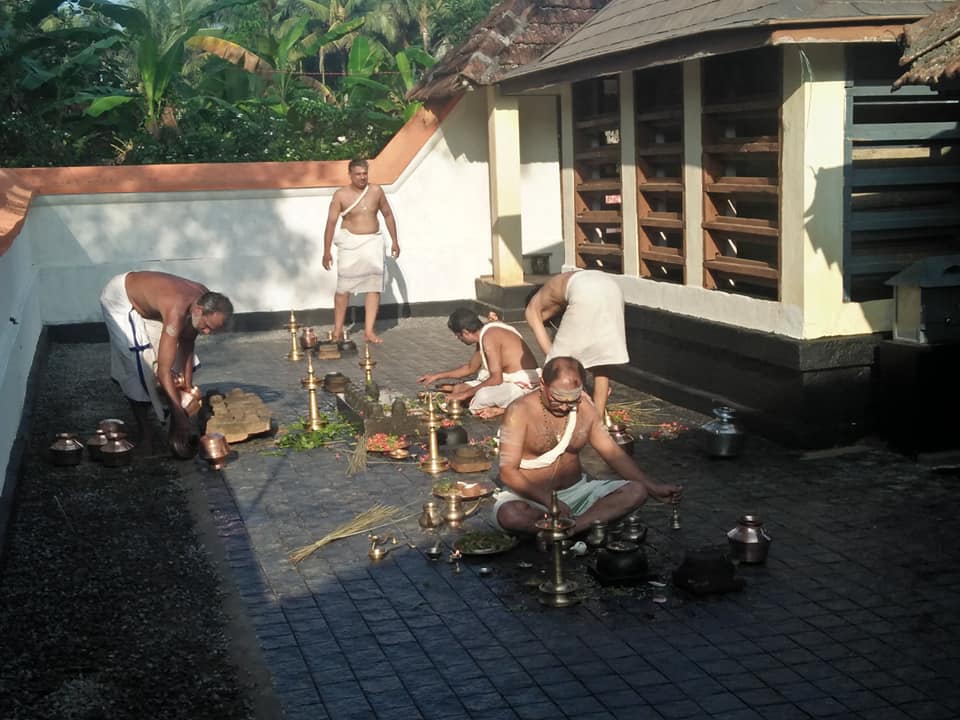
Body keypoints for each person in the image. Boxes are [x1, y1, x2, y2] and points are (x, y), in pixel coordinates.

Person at [493, 356, 681, 535]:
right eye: (558, 398)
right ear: (543, 385)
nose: (565, 406)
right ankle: (584, 524)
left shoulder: (584, 406)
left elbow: (612, 452)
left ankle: (570, 529)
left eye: (572, 399)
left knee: (636, 491)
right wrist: (549, 502)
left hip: (578, 493)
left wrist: (652, 487)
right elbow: (508, 472)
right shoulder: (519, 411)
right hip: (533, 499)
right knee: (511, 515)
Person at [100, 271, 233, 453]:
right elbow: (162, 371)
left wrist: (187, 390)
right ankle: (146, 433)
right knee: (139, 364)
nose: (207, 333)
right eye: (207, 327)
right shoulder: (176, 308)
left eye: (212, 329)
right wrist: (179, 415)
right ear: (198, 311)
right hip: (120, 299)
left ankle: (170, 420)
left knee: (173, 358)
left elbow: (187, 343)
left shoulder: (203, 299)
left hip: (151, 305)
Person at [524, 269, 628, 418]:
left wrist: (558, 363)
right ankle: (597, 422)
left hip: (583, 289)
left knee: (557, 367)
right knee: (602, 362)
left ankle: (551, 416)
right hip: (612, 287)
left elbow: (553, 359)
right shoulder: (556, 286)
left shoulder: (531, 307)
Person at [322, 158, 400, 344]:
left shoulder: (376, 191)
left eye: (365, 173)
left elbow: (387, 214)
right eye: (358, 174)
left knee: (374, 287)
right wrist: (326, 251)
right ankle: (338, 329)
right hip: (350, 243)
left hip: (372, 242)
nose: (362, 177)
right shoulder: (341, 195)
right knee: (343, 288)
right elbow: (331, 223)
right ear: (350, 174)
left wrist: (395, 241)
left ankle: (369, 331)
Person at [416, 308, 541, 419]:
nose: (457, 339)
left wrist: (464, 395)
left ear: (465, 332)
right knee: (460, 389)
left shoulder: (490, 336)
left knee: (481, 398)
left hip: (522, 386)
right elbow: (471, 368)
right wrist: (436, 376)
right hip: (505, 381)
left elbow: (496, 379)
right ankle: (467, 396)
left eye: (458, 335)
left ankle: (503, 409)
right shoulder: (484, 334)